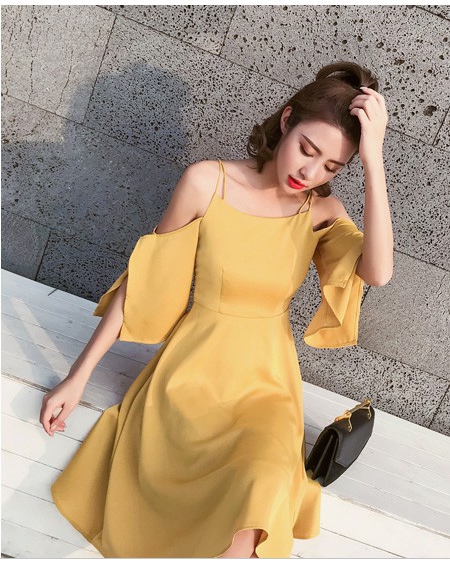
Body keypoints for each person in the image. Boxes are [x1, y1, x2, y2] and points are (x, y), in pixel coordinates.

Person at [39, 60, 392, 558]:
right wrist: (77, 378)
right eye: (307, 150)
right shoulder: (208, 182)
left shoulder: (320, 213)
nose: (309, 172)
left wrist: (374, 161)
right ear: (286, 120)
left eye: (331, 167)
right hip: (191, 376)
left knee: (262, 491)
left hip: (267, 389)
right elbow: (142, 282)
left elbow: (377, 272)